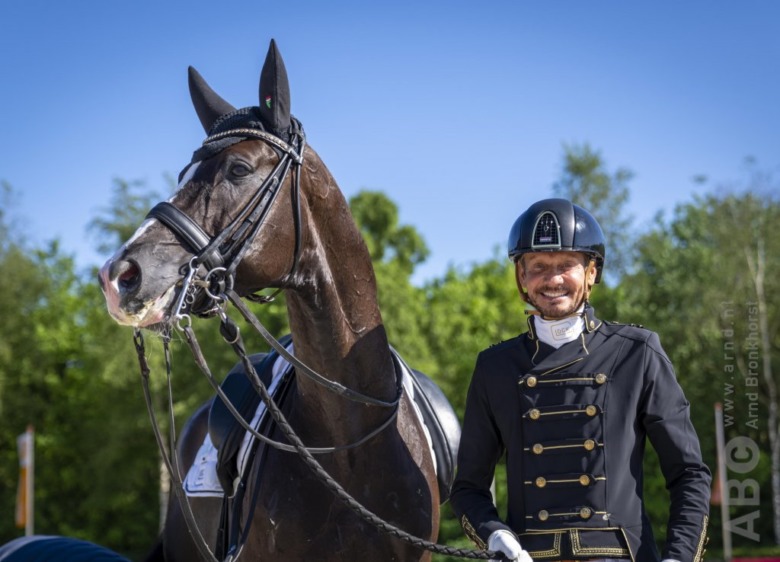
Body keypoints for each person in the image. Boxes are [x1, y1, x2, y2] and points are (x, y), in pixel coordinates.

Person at [449, 198, 711, 562]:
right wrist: (496, 535)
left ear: (591, 272)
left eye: (566, 265)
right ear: (522, 277)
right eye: (538, 266)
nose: (553, 279)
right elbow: (467, 489)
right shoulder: (495, 367)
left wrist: (678, 557)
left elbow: (689, 474)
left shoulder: (637, 353)